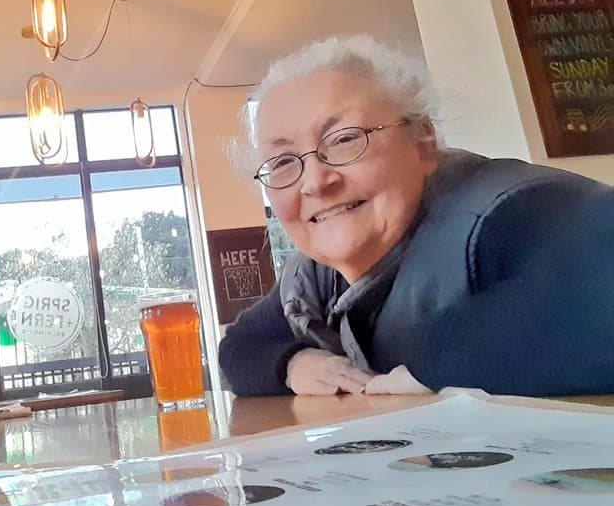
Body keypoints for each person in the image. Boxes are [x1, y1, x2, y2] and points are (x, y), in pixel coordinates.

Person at [218, 35, 614, 398]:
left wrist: (433, 362)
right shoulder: (315, 278)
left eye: (344, 139)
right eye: (283, 162)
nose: (315, 182)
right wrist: (293, 364)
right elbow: (240, 348)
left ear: (423, 141)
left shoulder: (504, 212)